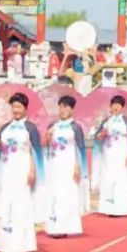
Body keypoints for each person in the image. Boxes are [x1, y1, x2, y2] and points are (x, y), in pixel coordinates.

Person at [0, 92, 44, 252]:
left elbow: (36, 152)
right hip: (6, 171)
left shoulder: (30, 128)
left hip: (23, 171)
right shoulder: (5, 128)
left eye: (19, 107)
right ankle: (5, 242)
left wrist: (33, 171)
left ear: (25, 108)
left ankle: (22, 243)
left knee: (21, 204)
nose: (16, 110)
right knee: (7, 203)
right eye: (13, 106)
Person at [40, 95, 86, 238]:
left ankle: (65, 226)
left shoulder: (76, 127)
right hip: (54, 166)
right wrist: (47, 137)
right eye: (60, 107)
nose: (62, 110)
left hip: (69, 166)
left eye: (66, 107)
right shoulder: (53, 126)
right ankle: (53, 226)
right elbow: (45, 146)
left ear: (72, 109)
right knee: (54, 194)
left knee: (67, 195)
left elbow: (80, 149)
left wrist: (78, 167)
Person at [91, 94, 127, 216]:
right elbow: (97, 138)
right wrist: (101, 135)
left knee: (121, 179)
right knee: (108, 178)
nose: (115, 107)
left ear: (122, 107)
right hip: (109, 155)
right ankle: (107, 207)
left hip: (122, 154)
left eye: (118, 105)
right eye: (113, 105)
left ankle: (121, 208)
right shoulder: (106, 121)